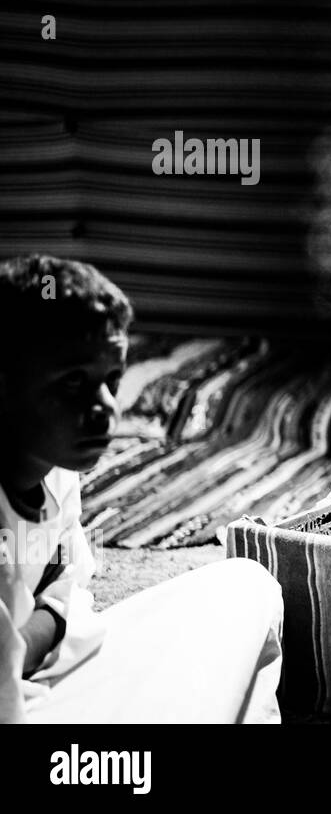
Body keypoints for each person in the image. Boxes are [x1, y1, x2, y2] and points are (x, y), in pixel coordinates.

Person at [0, 254, 284, 723]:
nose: (105, 406)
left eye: (112, 379)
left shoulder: (52, 465)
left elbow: (70, 585)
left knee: (247, 586)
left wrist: (18, 645)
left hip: (33, 676)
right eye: (74, 382)